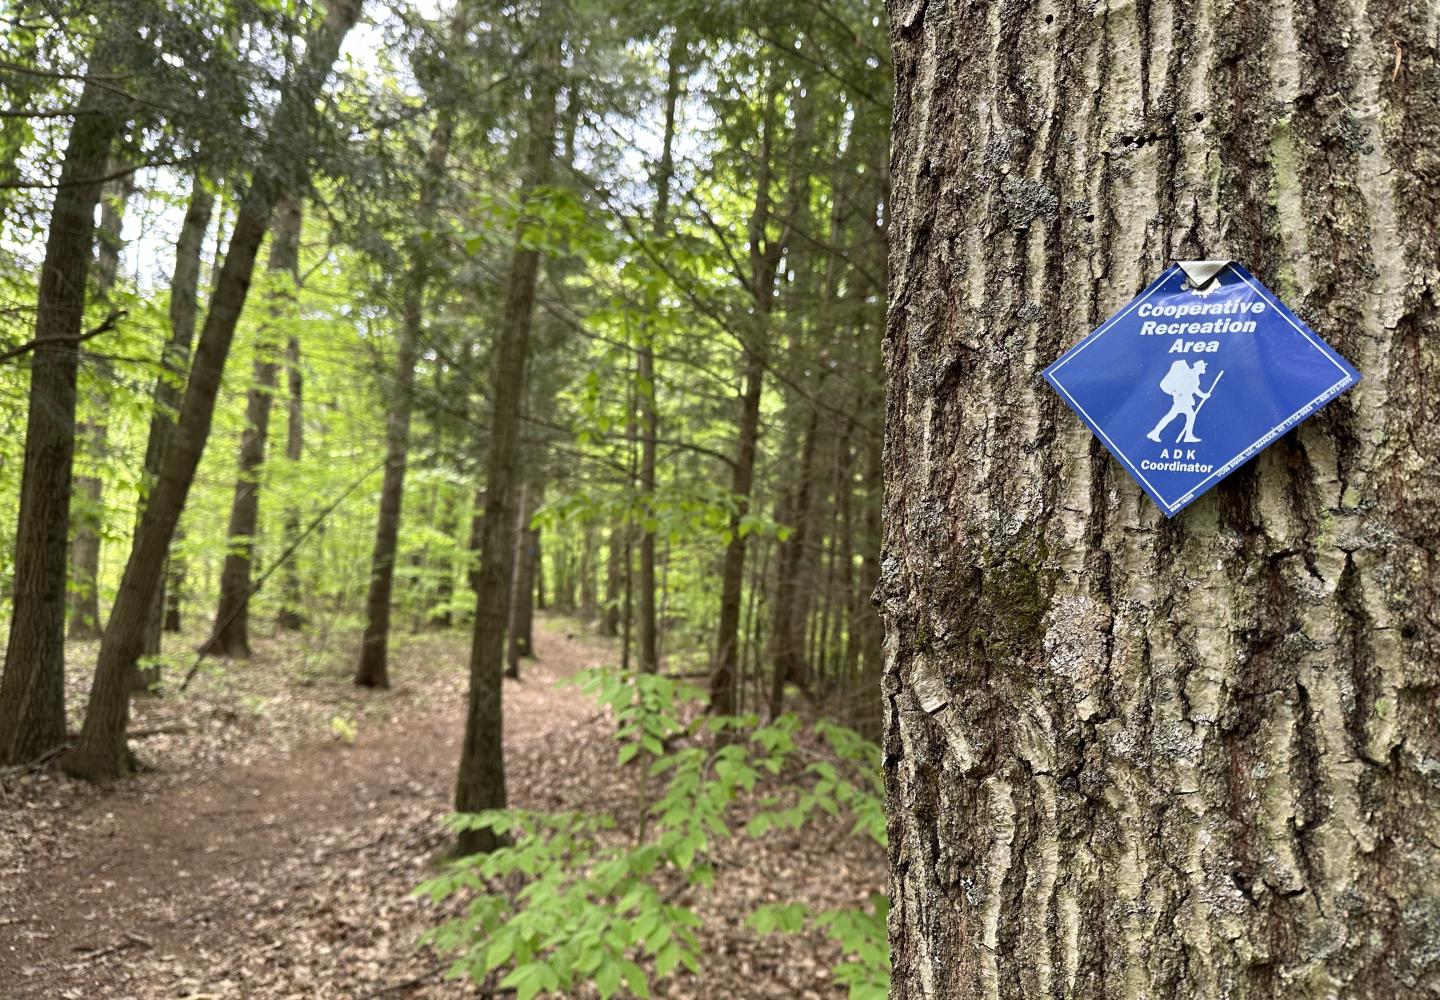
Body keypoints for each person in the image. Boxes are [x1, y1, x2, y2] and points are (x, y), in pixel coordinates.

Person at [1148, 360, 1212, 443]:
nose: (1204, 368)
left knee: (1173, 416)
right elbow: (1186, 387)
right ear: (1198, 368)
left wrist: (1203, 395)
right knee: (1188, 416)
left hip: (1184, 399)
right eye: (1203, 366)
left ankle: (1155, 433)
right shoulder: (1190, 375)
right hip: (1182, 399)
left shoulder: (1194, 375)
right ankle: (1187, 436)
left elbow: (1194, 389)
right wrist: (1177, 393)